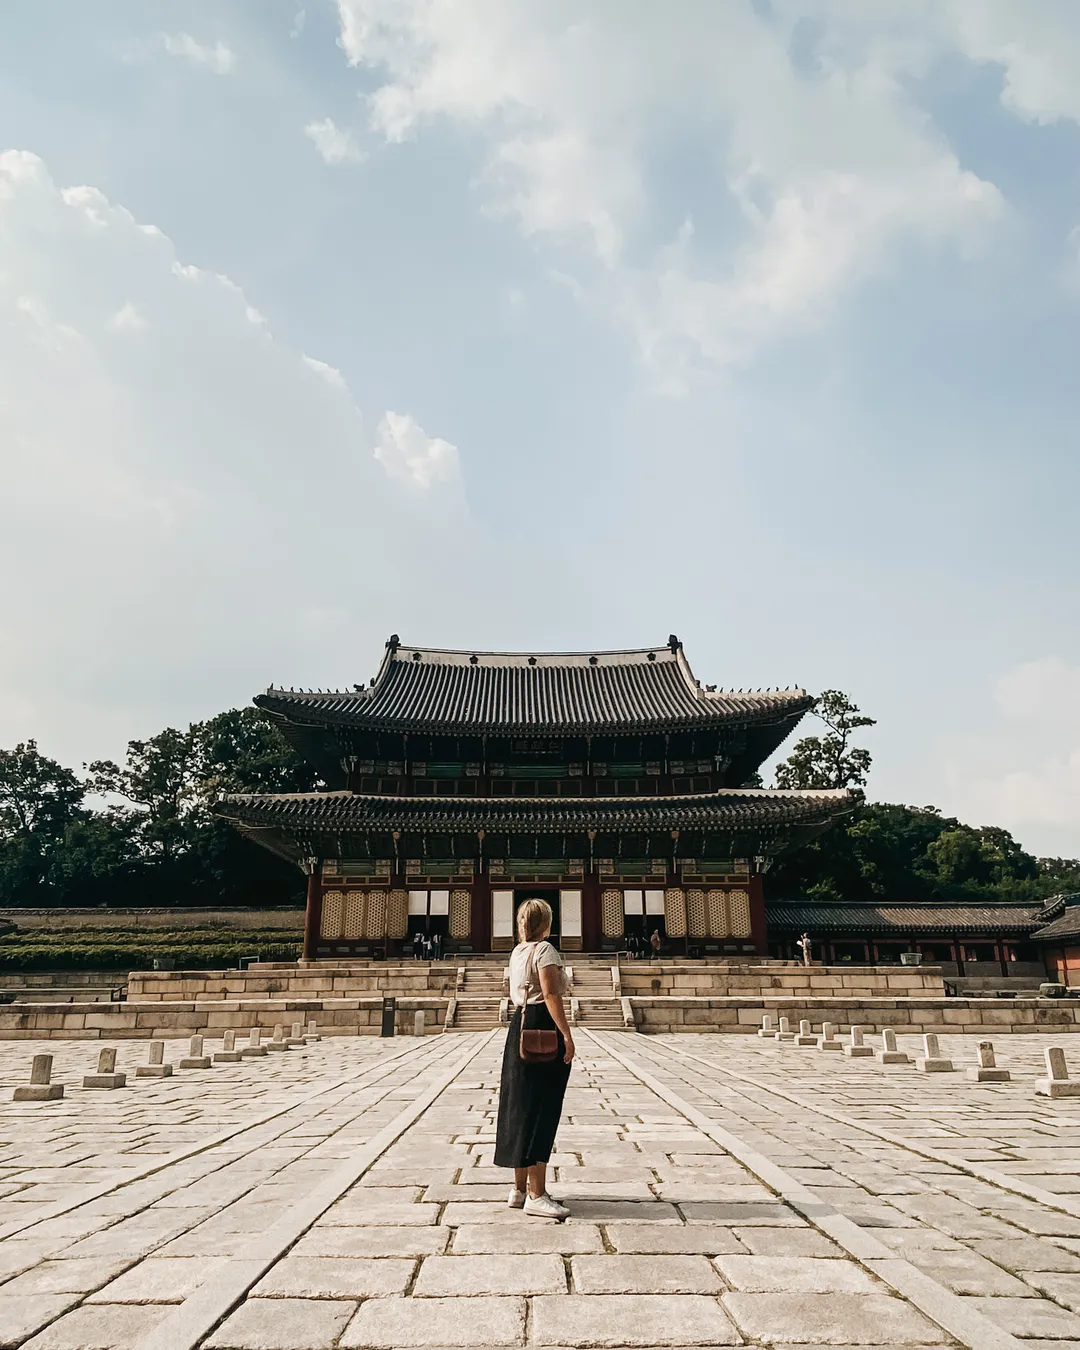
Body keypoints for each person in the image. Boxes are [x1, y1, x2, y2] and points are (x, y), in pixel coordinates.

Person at [494, 898, 574, 1220]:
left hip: (519, 1026)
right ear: (547, 923)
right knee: (542, 1106)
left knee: (520, 1105)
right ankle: (537, 1194)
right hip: (542, 1025)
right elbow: (551, 994)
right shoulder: (545, 951)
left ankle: (519, 1188)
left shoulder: (517, 952)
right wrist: (566, 1034)